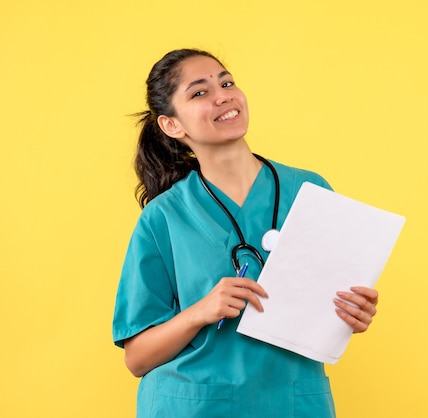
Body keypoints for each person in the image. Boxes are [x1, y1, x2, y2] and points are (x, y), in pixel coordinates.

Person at [112, 48, 379, 418]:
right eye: (200, 92)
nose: (223, 95)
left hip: (293, 403)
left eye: (226, 82)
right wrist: (200, 311)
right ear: (173, 125)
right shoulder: (163, 217)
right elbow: (137, 358)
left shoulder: (309, 190)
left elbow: (327, 307)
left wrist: (352, 314)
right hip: (194, 406)